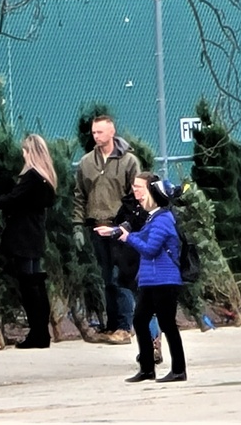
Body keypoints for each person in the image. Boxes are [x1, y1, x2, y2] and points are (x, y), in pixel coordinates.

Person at [0, 134, 58, 349]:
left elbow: (13, 200)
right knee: (36, 283)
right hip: (34, 235)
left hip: (24, 236)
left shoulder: (32, 177)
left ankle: (37, 334)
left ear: (30, 153)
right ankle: (41, 333)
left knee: (29, 286)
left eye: (25, 151)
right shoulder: (46, 178)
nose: (23, 155)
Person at [100, 172, 186, 383]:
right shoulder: (152, 218)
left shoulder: (163, 219)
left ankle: (178, 370)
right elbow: (141, 236)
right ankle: (147, 369)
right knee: (139, 321)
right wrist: (116, 232)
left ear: (153, 192)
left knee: (167, 325)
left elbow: (149, 248)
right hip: (150, 280)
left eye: (140, 188)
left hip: (164, 281)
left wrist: (127, 237)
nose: (136, 193)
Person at [73, 115, 140, 345]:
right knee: (106, 278)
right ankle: (112, 325)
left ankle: (124, 326)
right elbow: (79, 196)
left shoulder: (129, 161)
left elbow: (136, 197)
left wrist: (128, 225)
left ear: (112, 132)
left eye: (100, 132)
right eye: (93, 132)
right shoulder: (86, 163)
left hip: (119, 227)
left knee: (119, 276)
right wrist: (77, 227)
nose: (96, 136)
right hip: (96, 226)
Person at [108, 175, 162, 364]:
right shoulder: (129, 206)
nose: (135, 190)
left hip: (151, 261)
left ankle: (154, 345)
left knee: (149, 307)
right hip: (130, 261)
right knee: (141, 307)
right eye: (134, 186)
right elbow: (121, 227)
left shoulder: (159, 208)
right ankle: (148, 346)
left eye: (140, 186)